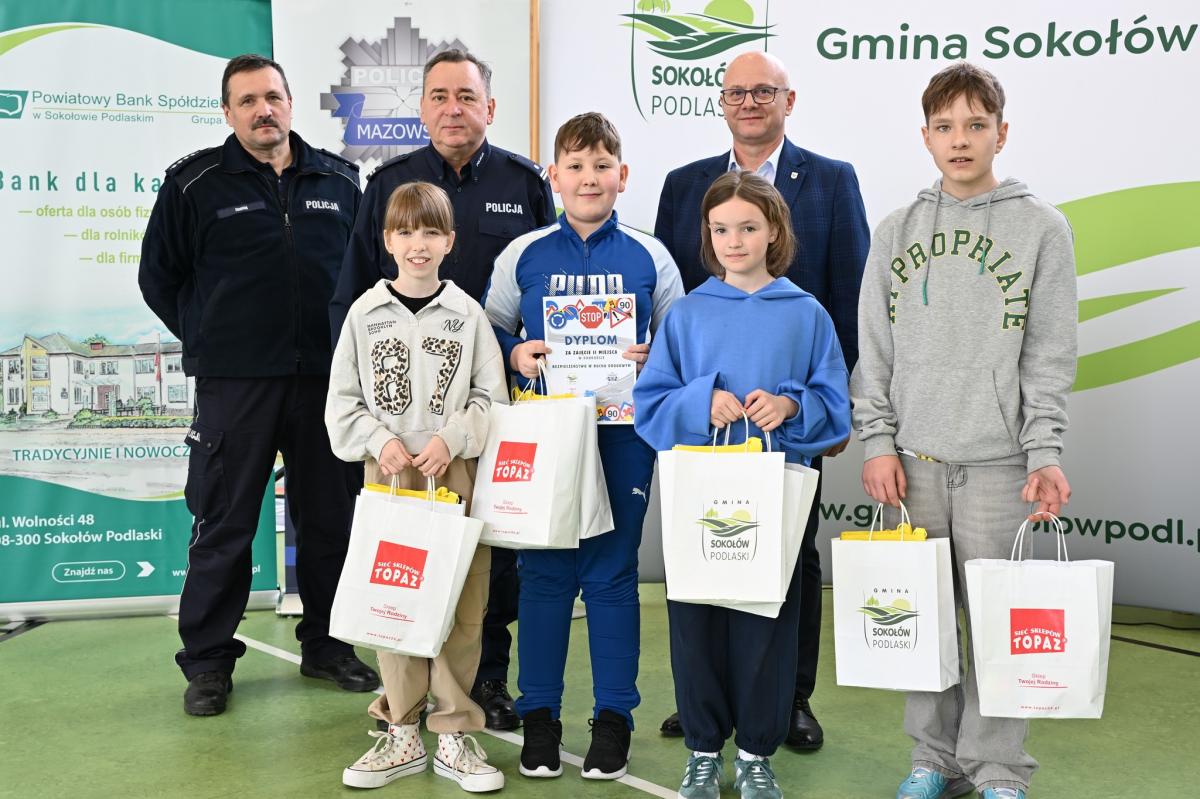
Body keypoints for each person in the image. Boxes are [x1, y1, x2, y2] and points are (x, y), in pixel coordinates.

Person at [850, 62, 1077, 799]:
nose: (960, 139)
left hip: (999, 464)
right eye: (945, 126)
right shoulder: (897, 229)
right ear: (925, 136)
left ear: (1001, 133)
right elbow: (874, 348)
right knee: (923, 624)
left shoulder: (1041, 228)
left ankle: (999, 769)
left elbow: (1049, 352)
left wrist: (1043, 451)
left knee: (999, 625)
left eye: (976, 125)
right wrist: (877, 442)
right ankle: (933, 761)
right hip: (913, 464)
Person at [139, 54, 379, 717]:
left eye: (272, 96)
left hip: (325, 382)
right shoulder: (194, 184)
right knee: (225, 523)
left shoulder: (339, 179)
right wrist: (213, 338)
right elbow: (159, 277)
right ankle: (208, 663)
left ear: (290, 103)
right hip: (235, 387)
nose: (262, 110)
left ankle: (329, 646)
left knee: (330, 522)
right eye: (246, 101)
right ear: (228, 112)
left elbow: (364, 275)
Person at [332, 49, 555, 730]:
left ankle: (484, 683)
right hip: (396, 433)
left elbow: (541, 288)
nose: (453, 108)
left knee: (486, 568)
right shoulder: (389, 183)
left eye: (466, 95)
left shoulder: (525, 183)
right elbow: (355, 294)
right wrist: (375, 423)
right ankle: (401, 702)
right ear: (423, 107)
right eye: (439, 96)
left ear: (490, 106)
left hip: (486, 415)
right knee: (399, 567)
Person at [653, 50, 870, 747]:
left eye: (763, 91)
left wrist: (822, 408)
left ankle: (787, 701)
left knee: (787, 559)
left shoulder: (832, 181)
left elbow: (853, 299)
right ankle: (705, 707)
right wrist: (694, 396)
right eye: (736, 92)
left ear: (788, 99)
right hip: (703, 447)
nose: (749, 102)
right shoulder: (685, 185)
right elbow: (671, 300)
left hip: (788, 432)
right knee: (705, 559)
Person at [635, 170, 850, 799]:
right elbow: (651, 405)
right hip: (700, 493)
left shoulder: (806, 314)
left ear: (774, 231)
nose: (734, 240)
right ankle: (703, 751)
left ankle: (756, 753)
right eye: (721, 229)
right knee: (696, 620)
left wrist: (790, 406)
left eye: (748, 227)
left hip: (774, 488)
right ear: (707, 235)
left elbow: (835, 408)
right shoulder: (687, 314)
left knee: (767, 623)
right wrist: (702, 401)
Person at [483, 112, 683, 780]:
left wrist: (657, 355)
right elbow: (489, 329)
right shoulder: (525, 253)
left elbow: (680, 339)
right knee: (544, 575)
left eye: (601, 166)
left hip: (624, 435)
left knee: (611, 573)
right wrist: (516, 352)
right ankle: (539, 714)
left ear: (622, 175)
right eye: (575, 165)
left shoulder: (652, 255)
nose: (589, 178)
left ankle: (614, 717)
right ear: (554, 176)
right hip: (546, 435)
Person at [326, 181, 509, 793]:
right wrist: (380, 441)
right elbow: (342, 404)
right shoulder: (363, 315)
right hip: (389, 476)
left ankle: (454, 733)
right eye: (405, 232)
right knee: (394, 600)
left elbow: (492, 399)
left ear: (450, 241)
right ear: (387, 241)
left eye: (431, 232)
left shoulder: (468, 315)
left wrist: (451, 439)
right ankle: (401, 730)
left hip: (453, 474)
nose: (418, 244)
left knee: (461, 601)